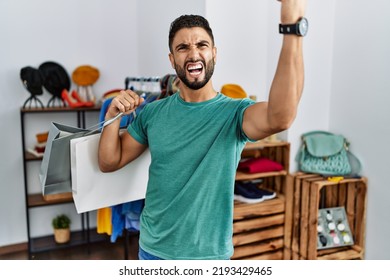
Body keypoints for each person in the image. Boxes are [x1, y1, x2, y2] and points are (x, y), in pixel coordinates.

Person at [98, 0, 307, 260]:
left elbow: (281, 116)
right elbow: (109, 161)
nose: (193, 53)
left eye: (202, 45)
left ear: (214, 53)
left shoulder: (235, 114)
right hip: (153, 252)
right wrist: (112, 117)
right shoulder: (153, 113)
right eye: (183, 48)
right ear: (172, 59)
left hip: (208, 258)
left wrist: (292, 30)